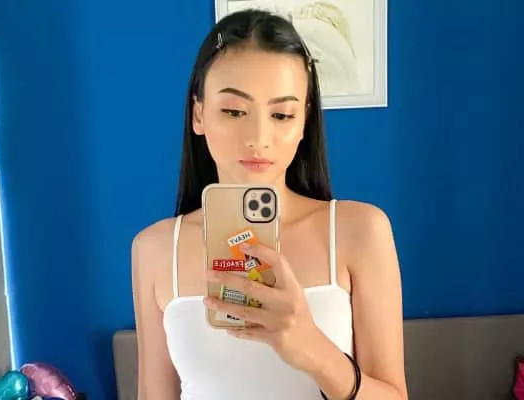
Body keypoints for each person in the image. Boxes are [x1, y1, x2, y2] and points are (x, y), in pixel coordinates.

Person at [132, 9, 407, 400]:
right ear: (199, 114)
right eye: (233, 111)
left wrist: (312, 349)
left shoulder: (360, 231)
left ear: (303, 122)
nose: (259, 137)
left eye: (281, 114)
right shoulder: (155, 249)